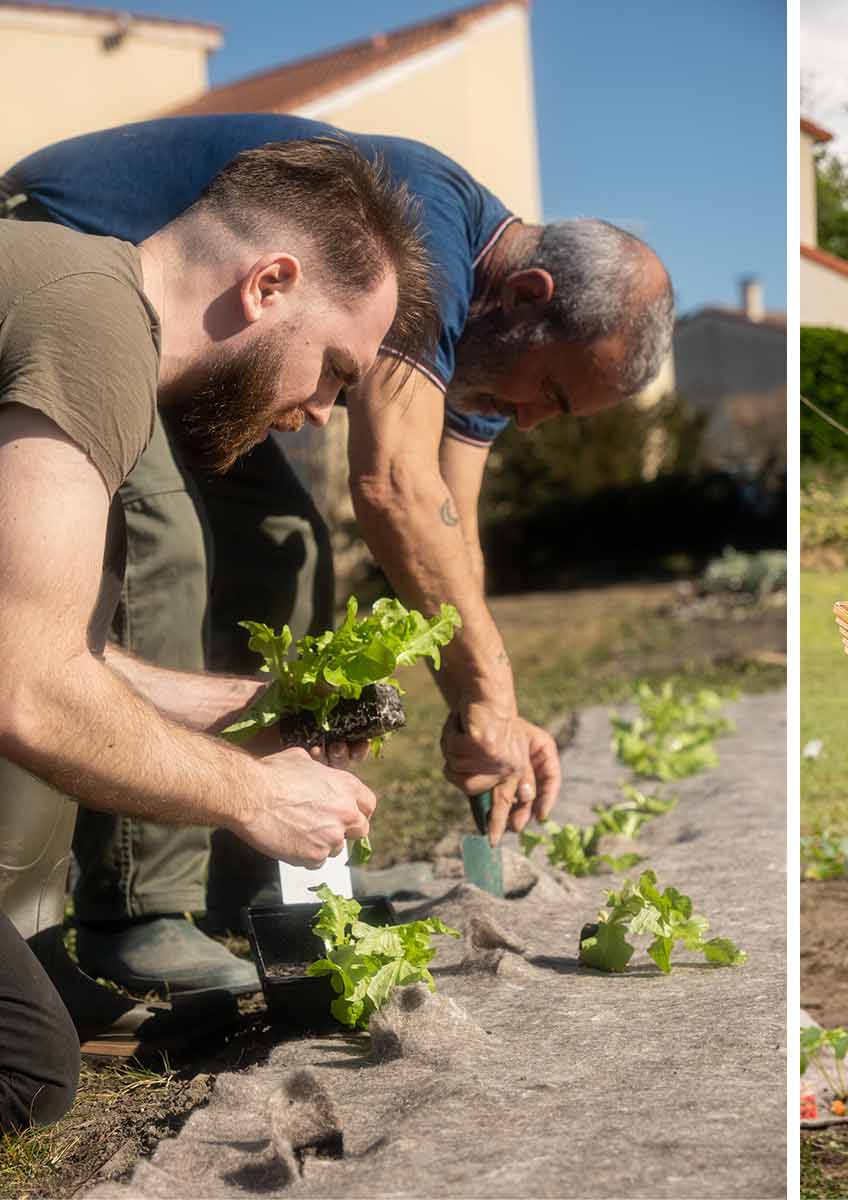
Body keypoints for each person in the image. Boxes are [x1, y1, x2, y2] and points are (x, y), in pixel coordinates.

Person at [0, 115, 676, 996]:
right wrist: (484, 703)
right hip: (107, 264)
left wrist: (486, 706)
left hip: (210, 322)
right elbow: (392, 485)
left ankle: (263, 875)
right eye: (549, 392)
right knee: (165, 537)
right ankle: (140, 908)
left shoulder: (487, 348)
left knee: (290, 541)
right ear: (528, 296)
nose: (535, 423)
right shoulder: (424, 245)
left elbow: (447, 531)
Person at [0, 136, 432, 1130]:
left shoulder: (83, 299)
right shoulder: (95, 329)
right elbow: (27, 689)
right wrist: (253, 795)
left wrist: (242, 713)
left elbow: (45, 640)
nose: (324, 412)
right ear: (269, 284)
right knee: (23, 1067)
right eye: (334, 369)